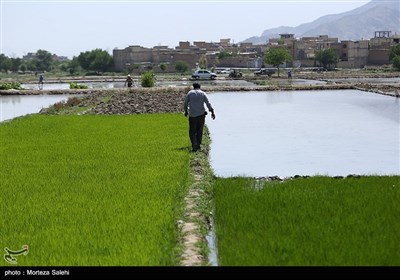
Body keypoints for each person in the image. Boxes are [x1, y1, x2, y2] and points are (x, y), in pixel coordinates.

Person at [183, 83, 215, 152]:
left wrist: (186, 111)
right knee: (199, 130)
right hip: (201, 115)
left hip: (192, 115)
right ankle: (198, 144)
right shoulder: (202, 93)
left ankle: (194, 144)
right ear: (199, 87)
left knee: (192, 131)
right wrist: (212, 111)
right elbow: (208, 103)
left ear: (193, 87)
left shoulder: (190, 93)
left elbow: (185, 103)